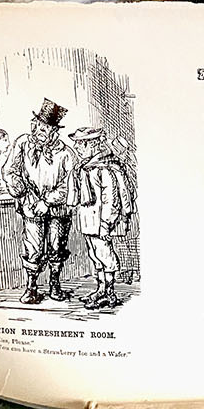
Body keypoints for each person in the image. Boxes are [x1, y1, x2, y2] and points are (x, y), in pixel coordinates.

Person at [1, 99, 79, 303]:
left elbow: (68, 186)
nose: (37, 131)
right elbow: (9, 171)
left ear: (54, 131)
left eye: (43, 128)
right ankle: (32, 287)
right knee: (33, 248)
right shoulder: (23, 143)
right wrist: (21, 192)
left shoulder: (67, 154)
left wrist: (47, 201)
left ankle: (55, 284)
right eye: (36, 126)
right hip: (31, 206)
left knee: (56, 246)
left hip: (58, 210)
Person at [72, 126, 134, 309]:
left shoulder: (105, 168)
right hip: (89, 221)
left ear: (92, 144)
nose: (77, 148)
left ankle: (109, 292)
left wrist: (106, 224)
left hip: (101, 222)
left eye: (81, 144)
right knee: (95, 255)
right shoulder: (86, 167)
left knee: (105, 255)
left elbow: (111, 200)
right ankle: (100, 289)